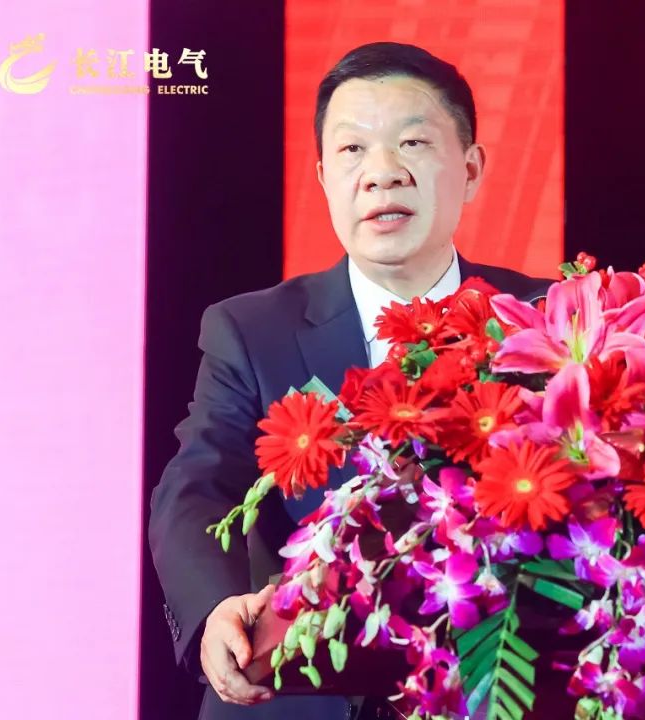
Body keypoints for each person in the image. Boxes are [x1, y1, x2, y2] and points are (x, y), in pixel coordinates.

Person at [148, 42, 550, 720]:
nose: (382, 173)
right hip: (301, 695)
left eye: (413, 142)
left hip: (503, 689)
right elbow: (197, 487)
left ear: (471, 169)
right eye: (353, 150)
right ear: (325, 178)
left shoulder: (544, 322)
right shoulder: (253, 331)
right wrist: (216, 608)